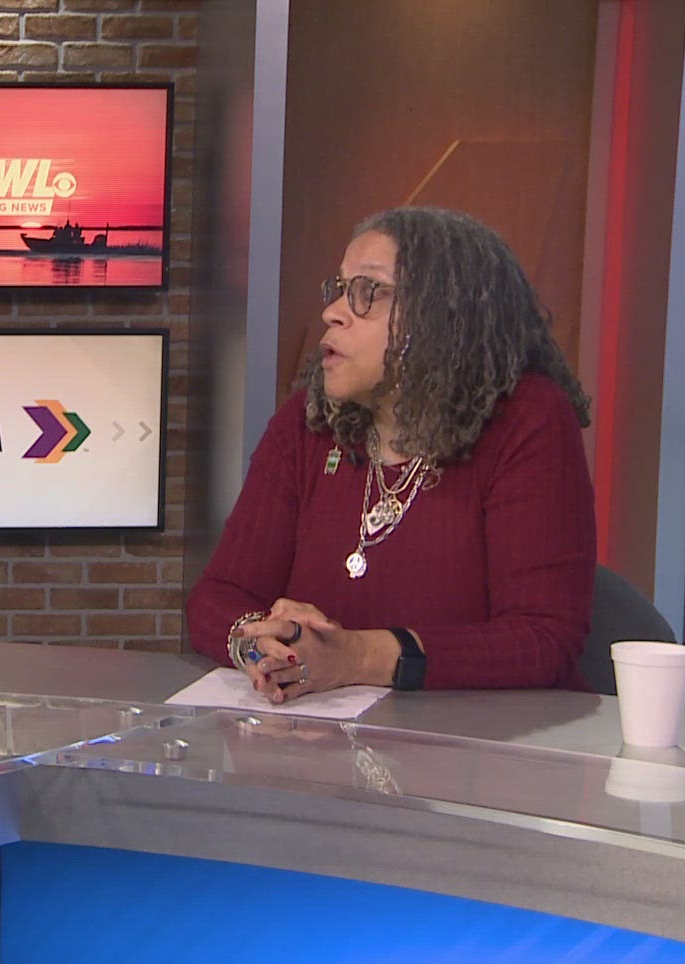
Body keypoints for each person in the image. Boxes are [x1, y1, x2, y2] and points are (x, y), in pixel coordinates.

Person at [187, 206, 595, 702]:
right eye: (338, 289)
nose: (332, 311)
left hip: (479, 755)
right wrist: (263, 647)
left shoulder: (527, 419)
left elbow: (542, 639)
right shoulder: (308, 421)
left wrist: (355, 658)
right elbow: (218, 597)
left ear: (443, 315)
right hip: (321, 750)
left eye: (368, 292)